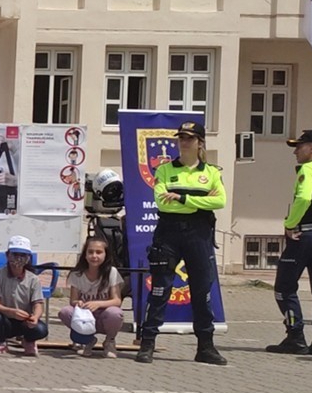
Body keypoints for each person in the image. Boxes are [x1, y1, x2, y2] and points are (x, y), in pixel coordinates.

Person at [136, 121, 227, 365]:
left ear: (200, 142)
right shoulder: (165, 170)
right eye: (181, 138)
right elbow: (162, 203)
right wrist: (198, 199)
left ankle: (205, 347)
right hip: (169, 234)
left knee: (201, 291)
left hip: (199, 235)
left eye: (189, 138)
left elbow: (220, 202)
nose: (184, 142)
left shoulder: (211, 172)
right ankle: (147, 344)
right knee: (160, 289)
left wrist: (182, 197)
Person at [266, 129, 312, 355]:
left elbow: (304, 198)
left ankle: (295, 335)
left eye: (300, 146)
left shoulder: (308, 169)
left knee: (284, 287)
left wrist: (290, 223)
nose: (296, 151)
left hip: (305, 235)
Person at [58, 236, 125, 358]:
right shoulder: (76, 274)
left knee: (115, 313)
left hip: (104, 315)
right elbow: (72, 300)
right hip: (85, 317)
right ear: (85, 255)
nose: (94, 256)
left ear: (106, 255)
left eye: (99, 252)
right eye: (90, 252)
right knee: (65, 312)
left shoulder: (112, 272)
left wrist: (98, 304)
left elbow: (117, 300)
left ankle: (109, 341)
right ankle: (87, 340)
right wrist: (78, 303)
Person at [0, 235, 48, 357]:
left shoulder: (33, 279)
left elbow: (38, 304)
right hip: (5, 319)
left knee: (41, 329)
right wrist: (10, 312)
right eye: (15, 254)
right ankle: (0, 341)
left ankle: (29, 341)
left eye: (23, 255)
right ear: (8, 255)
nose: (19, 259)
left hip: (25, 321)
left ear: (28, 258)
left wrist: (35, 317)